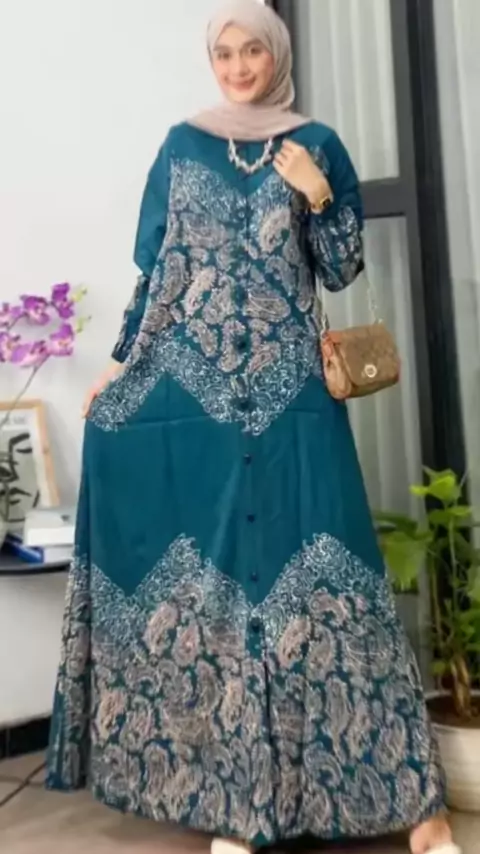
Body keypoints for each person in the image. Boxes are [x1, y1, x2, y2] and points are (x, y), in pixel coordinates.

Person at [45, 3, 461, 854]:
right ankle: (241, 807)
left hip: (291, 398)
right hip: (195, 397)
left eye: (253, 52)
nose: (238, 67)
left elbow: (340, 268)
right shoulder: (181, 147)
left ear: (277, 56)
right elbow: (156, 273)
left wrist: (316, 193)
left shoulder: (316, 143)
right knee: (223, 591)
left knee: (336, 581)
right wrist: (121, 369)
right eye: (225, 53)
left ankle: (420, 811)